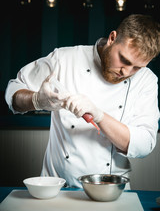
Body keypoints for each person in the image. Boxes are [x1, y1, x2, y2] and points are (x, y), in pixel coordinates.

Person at [5, 14, 160, 188]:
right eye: (124, 60)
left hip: (111, 190)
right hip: (58, 187)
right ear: (112, 38)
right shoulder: (64, 59)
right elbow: (13, 92)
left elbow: (144, 145)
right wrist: (36, 100)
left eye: (137, 67)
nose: (127, 72)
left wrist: (99, 115)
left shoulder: (146, 81)